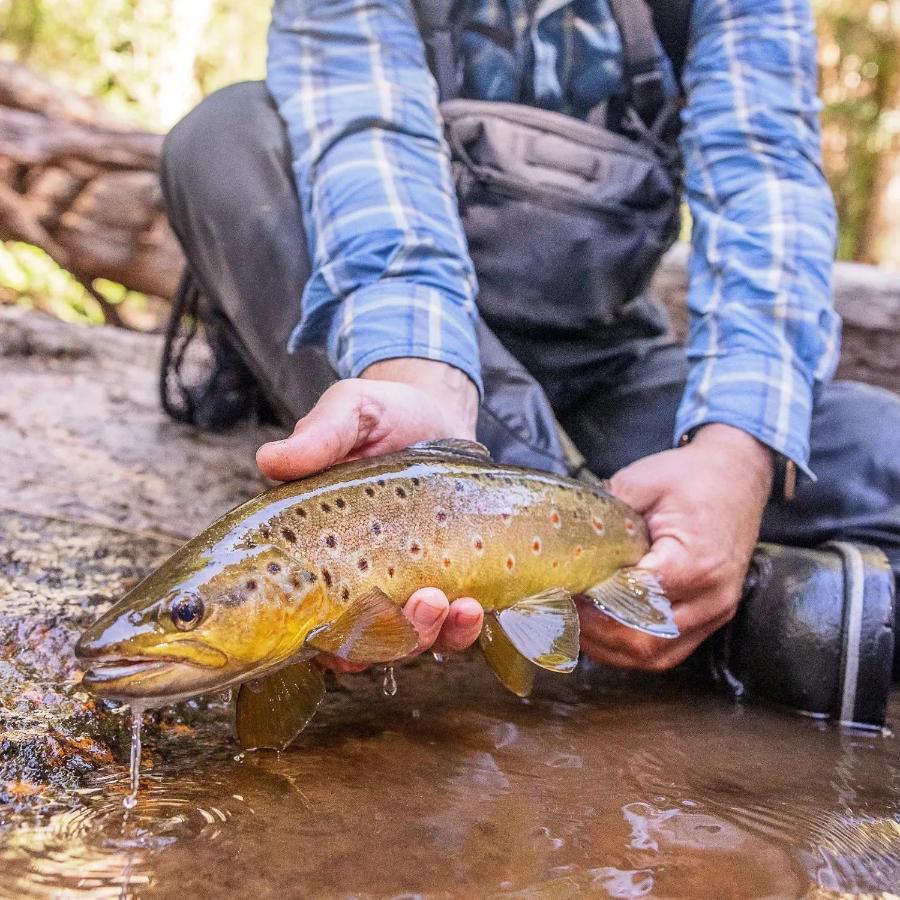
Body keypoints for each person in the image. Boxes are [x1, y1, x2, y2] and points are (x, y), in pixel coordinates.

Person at [159, 0, 899, 724]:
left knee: (884, 453)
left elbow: (763, 185)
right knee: (227, 139)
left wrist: (737, 455)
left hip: (606, 369)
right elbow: (368, 141)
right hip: (401, 365)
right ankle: (675, 599)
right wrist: (423, 380)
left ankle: (644, 575)